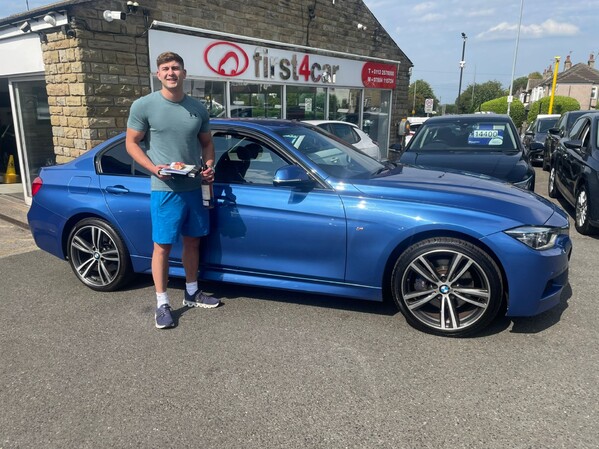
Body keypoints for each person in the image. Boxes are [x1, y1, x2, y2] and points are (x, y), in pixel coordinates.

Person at [126, 51, 220, 329]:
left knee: (193, 241)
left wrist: (210, 165)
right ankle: (162, 303)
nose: (171, 73)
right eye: (166, 68)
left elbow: (207, 144)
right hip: (164, 187)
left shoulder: (197, 108)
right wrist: (154, 168)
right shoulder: (144, 106)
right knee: (163, 247)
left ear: (184, 74)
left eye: (176, 68)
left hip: (194, 186)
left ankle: (192, 292)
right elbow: (131, 143)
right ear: (158, 74)